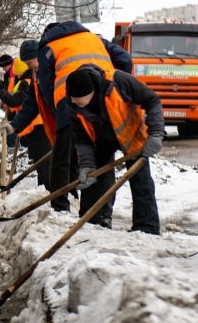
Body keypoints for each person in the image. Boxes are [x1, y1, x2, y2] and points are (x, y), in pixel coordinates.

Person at [5, 22, 132, 212]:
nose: (33, 68)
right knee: (95, 161)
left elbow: (48, 93)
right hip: (102, 107)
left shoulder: (50, 53)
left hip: (70, 111)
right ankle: (97, 213)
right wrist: (14, 126)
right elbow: (31, 105)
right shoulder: (91, 42)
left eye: (32, 63)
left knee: (63, 160)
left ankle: (62, 208)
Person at [64, 65, 162, 234]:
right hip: (101, 141)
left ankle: (147, 227)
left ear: (91, 91)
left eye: (78, 97)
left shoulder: (118, 81)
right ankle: (89, 223)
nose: (74, 101)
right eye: (72, 97)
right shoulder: (73, 106)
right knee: (91, 178)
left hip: (131, 136)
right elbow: (82, 139)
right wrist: (87, 164)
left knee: (140, 180)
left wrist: (156, 133)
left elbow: (152, 100)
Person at [0, 41, 50, 187]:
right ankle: (44, 188)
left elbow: (17, 100)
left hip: (37, 125)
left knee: (44, 162)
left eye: (30, 63)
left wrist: (1, 92)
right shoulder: (29, 80)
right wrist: (13, 122)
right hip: (29, 124)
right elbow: (24, 105)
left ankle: (49, 191)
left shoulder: (29, 80)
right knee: (40, 162)